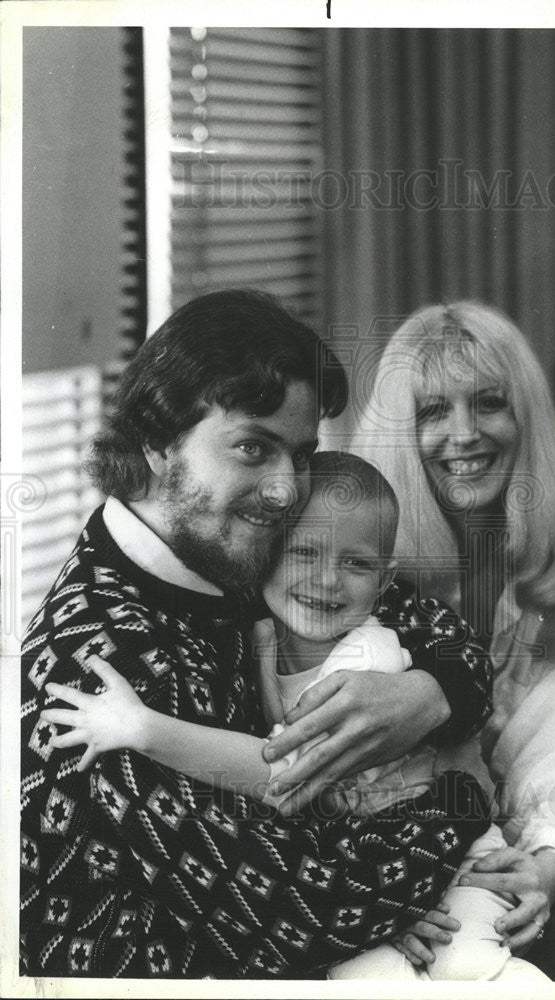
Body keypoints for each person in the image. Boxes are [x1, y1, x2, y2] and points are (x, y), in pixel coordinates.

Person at [19, 290, 494, 978]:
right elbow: (307, 914)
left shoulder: (232, 548)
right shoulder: (93, 673)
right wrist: (462, 795)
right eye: (251, 447)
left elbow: (443, 632)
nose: (283, 491)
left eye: (300, 454)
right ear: (154, 440)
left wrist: (430, 694)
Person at [40, 451, 549, 984]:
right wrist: (384, 916)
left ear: (384, 579)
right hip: (369, 874)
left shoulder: (367, 658)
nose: (327, 580)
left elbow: (283, 777)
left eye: (356, 564)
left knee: (473, 966)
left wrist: (144, 729)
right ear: (265, 554)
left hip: (446, 861)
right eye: (303, 551)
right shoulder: (258, 634)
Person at [331, 301, 555, 979]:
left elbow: (551, 785)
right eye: (431, 412)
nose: (464, 434)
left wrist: (545, 867)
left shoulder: (545, 582)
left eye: (488, 404)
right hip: (357, 888)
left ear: (526, 421)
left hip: (487, 888)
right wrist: (367, 896)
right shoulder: (346, 570)